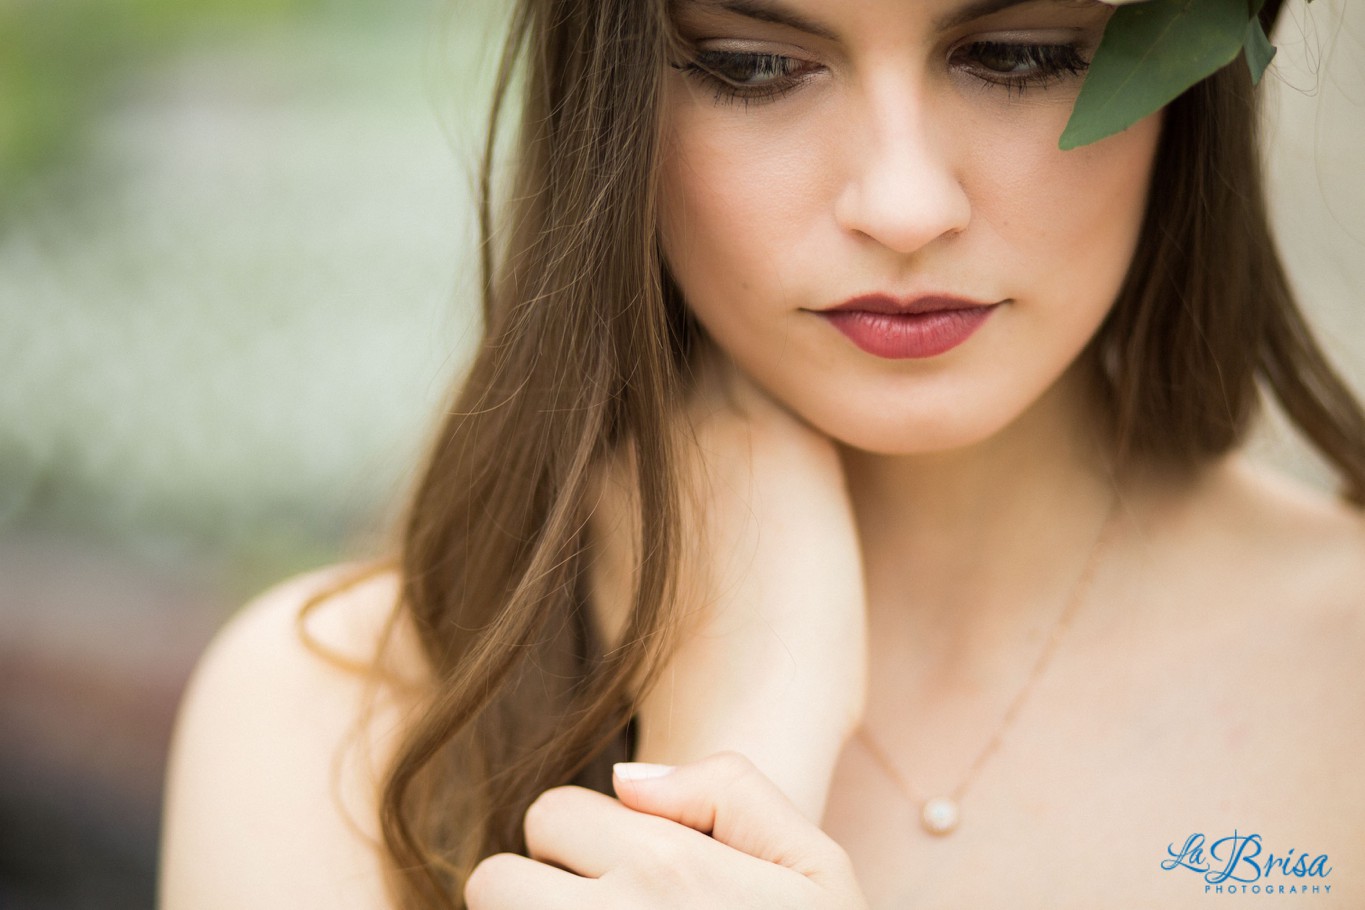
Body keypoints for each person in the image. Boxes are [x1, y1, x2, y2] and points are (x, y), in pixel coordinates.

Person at [159, 0, 1365, 906]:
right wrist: (731, 741)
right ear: (613, 105)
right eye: (755, 66)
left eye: (1019, 54)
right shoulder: (333, 722)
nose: (903, 204)